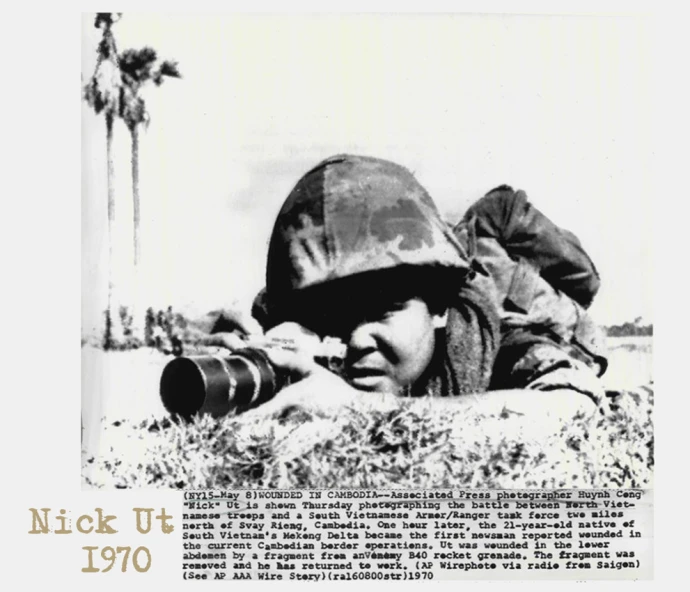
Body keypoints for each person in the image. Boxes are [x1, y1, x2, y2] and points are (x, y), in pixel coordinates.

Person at [206, 154, 607, 421]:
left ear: (438, 307)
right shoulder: (298, 324)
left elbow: (572, 404)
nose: (357, 340)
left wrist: (361, 408)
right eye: (334, 317)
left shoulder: (492, 333)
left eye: (382, 310)